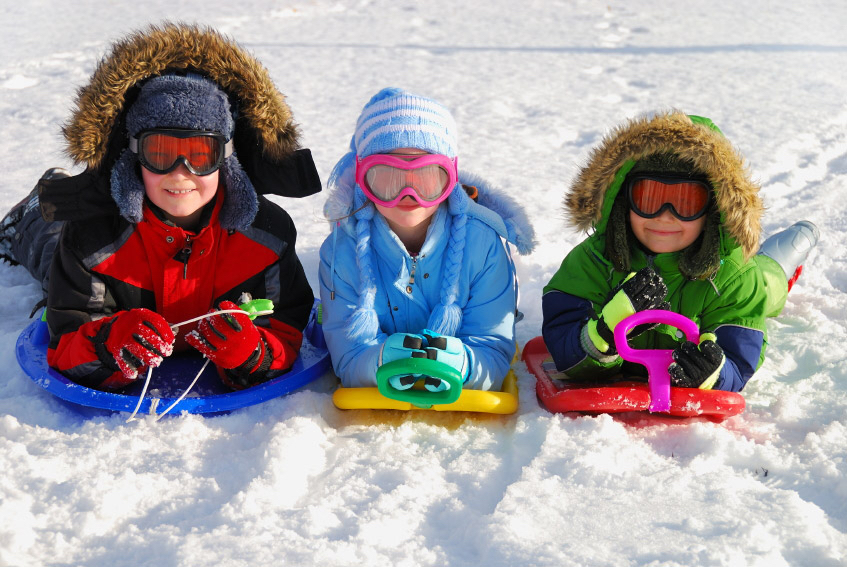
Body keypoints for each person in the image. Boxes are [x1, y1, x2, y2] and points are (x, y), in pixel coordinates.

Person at [0, 23, 321, 391]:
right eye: (161, 153)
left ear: (227, 159)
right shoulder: (92, 240)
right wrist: (107, 342)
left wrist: (252, 354)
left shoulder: (268, 235)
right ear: (134, 158)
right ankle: (27, 216)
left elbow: (286, 327)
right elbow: (67, 339)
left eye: (201, 154)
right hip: (102, 236)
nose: (180, 173)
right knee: (52, 246)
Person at [542, 111, 819, 392]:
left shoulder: (737, 277)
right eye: (649, 198)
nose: (665, 217)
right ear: (624, 202)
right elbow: (563, 342)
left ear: (712, 210)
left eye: (685, 202)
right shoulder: (594, 260)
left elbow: (738, 361)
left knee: (769, 277)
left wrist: (715, 373)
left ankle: (793, 247)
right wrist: (603, 334)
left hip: (753, 276)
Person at [319, 88, 535, 392]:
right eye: (388, 178)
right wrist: (378, 361)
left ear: (450, 179)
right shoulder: (342, 251)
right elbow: (348, 355)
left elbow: (493, 348)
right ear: (362, 180)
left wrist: (465, 364)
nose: (408, 195)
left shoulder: (482, 245)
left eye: (427, 178)